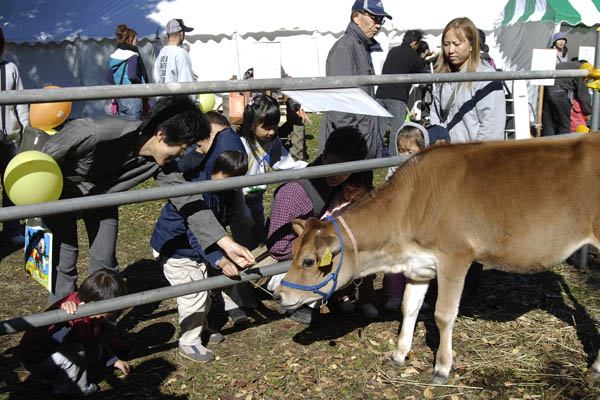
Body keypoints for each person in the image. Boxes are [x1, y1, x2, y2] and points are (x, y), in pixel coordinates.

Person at [40, 96, 254, 304]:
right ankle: (60, 324)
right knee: (64, 260)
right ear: (161, 135)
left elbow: (187, 198)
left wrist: (224, 241)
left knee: (105, 262)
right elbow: (41, 159)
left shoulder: (161, 163)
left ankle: (98, 321)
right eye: (182, 147)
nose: (182, 155)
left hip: (103, 199)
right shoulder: (93, 132)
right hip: (61, 196)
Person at [151, 120, 249, 362]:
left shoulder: (220, 190)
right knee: (193, 294)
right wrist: (218, 259)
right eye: (225, 179)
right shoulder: (199, 191)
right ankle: (189, 341)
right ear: (214, 168)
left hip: (193, 249)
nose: (229, 186)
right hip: (176, 249)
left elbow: (215, 226)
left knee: (202, 290)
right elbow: (197, 231)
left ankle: (200, 327)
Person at [265, 126, 368, 324]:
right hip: (283, 259)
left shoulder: (342, 187)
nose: (338, 173)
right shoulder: (294, 193)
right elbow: (277, 249)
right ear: (324, 153)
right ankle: (297, 298)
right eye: (333, 163)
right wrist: (316, 251)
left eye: (347, 168)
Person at [18, 269, 129, 397]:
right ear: (94, 303)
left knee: (96, 349)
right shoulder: (70, 312)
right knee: (77, 350)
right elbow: (54, 342)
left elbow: (96, 336)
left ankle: (59, 378)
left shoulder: (91, 313)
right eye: (107, 314)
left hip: (61, 354)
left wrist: (114, 360)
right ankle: (71, 389)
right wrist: (67, 321)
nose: (107, 317)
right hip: (38, 360)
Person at [383, 122, 450, 312]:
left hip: (419, 225)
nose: (404, 155)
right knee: (395, 263)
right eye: (401, 150)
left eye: (409, 150)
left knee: (418, 262)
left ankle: (417, 298)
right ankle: (394, 296)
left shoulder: (428, 170)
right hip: (398, 222)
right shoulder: (394, 167)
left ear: (423, 150)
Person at [318, 0, 392, 160]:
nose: (379, 25)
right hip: (347, 149)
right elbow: (339, 105)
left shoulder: (361, 47)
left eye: (381, 20)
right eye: (375, 18)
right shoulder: (345, 48)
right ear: (357, 17)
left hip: (360, 143)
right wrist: (351, 145)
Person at [235, 94, 307, 250]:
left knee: (259, 233)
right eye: (266, 127)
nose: (272, 132)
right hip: (238, 198)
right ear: (251, 123)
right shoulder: (240, 144)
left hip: (257, 197)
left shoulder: (271, 142)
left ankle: (258, 255)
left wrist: (310, 168)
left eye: (275, 126)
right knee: (243, 236)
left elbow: (284, 163)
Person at [430, 17, 506, 144]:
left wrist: (475, 157)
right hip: (448, 156)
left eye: (456, 44)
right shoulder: (444, 76)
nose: (451, 50)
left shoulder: (486, 77)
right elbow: (436, 116)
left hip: (474, 157)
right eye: (446, 44)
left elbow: (492, 126)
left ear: (471, 45)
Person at [321, 170, 379, 318]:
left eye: (356, 191)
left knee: (364, 275)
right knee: (341, 272)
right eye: (347, 190)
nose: (350, 195)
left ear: (368, 188)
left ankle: (366, 301)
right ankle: (343, 298)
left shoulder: (370, 201)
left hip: (363, 246)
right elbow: (329, 217)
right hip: (343, 245)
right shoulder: (339, 200)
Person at [0, 27, 29, 246]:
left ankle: (12, 227)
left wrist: (26, 132)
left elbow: (21, 103)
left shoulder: (10, 68)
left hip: (10, 138)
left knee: (11, 184)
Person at [376, 29, 425, 144]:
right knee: (396, 133)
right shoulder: (412, 54)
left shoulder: (393, 51)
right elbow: (422, 71)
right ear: (414, 43)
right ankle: (395, 160)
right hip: (397, 97)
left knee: (378, 132)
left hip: (381, 94)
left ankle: (376, 157)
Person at [106, 24, 149, 120]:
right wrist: (141, 83)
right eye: (135, 39)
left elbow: (109, 77)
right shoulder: (132, 55)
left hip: (120, 98)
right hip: (133, 97)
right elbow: (132, 75)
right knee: (134, 129)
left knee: (123, 130)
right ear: (130, 40)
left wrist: (120, 83)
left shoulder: (115, 56)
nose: (136, 42)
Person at [542, 60, 592, 136]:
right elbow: (583, 94)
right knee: (564, 124)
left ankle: (548, 146)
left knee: (548, 123)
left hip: (546, 89)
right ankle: (562, 147)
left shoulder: (566, 65)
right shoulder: (583, 70)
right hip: (561, 90)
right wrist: (588, 111)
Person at [153, 19, 196, 101]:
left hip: (162, 103)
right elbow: (186, 84)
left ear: (167, 34)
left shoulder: (161, 53)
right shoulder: (181, 53)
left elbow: (157, 80)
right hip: (178, 105)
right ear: (182, 33)